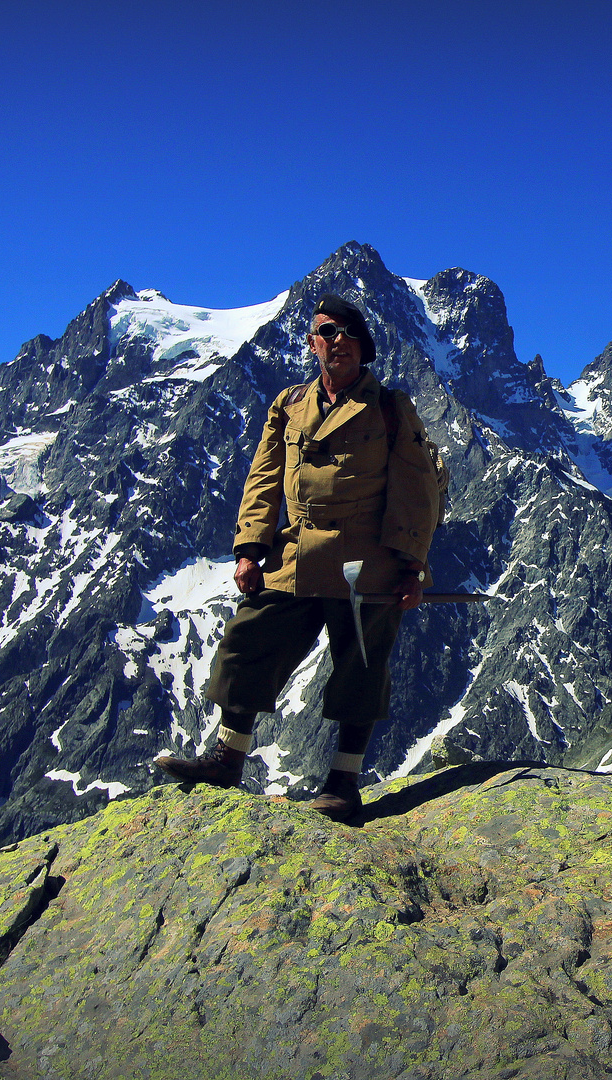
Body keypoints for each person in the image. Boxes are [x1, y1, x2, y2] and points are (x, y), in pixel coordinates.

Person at [153, 294, 440, 822]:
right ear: (312, 344)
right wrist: (249, 549)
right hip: (296, 555)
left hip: (365, 563)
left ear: (364, 349)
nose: (339, 344)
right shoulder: (288, 404)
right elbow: (263, 479)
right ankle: (226, 758)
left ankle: (344, 782)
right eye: (328, 333)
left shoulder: (391, 408)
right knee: (248, 642)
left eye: (349, 336)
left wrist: (412, 567)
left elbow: (415, 491)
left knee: (361, 669)